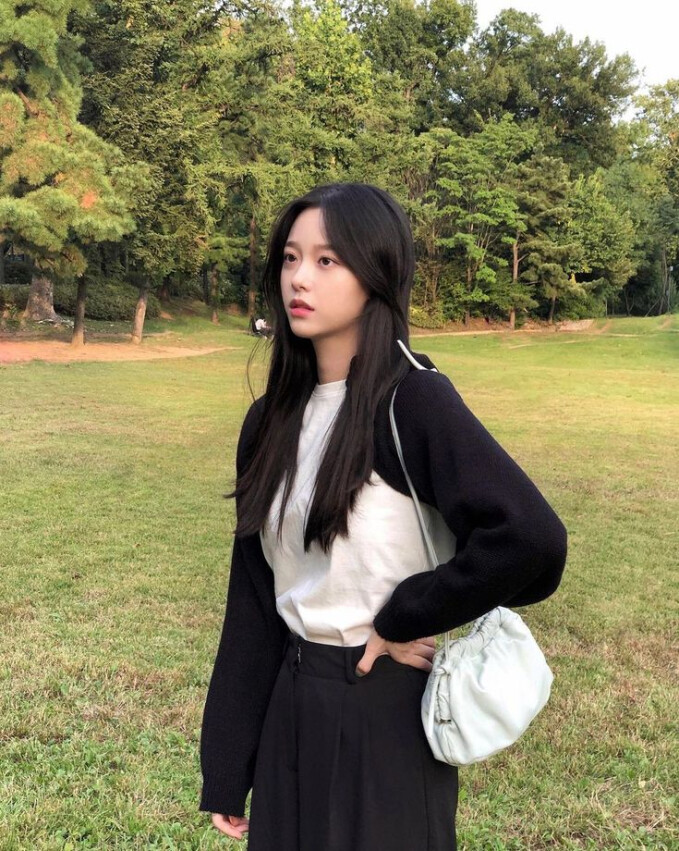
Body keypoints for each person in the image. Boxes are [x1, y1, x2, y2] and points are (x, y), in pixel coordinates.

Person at [199, 182, 568, 850]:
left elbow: (530, 539)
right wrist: (228, 764)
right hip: (290, 701)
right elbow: (252, 598)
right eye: (290, 258)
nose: (298, 278)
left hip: (383, 707)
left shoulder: (412, 402)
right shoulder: (269, 421)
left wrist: (407, 613)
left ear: (376, 274)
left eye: (326, 260)